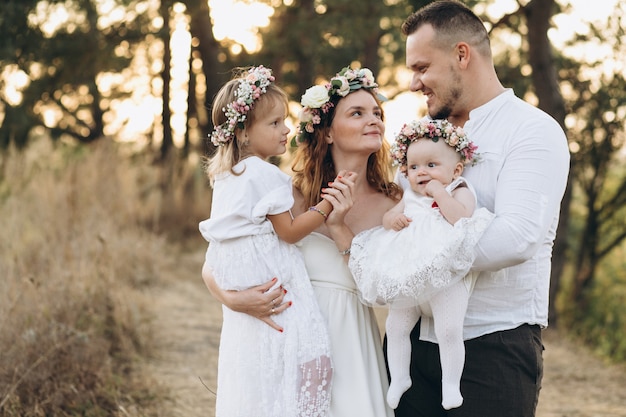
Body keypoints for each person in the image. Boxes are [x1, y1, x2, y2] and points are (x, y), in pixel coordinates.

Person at [392, 1, 571, 416]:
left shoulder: (532, 131)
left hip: (493, 350)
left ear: (461, 54)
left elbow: (513, 241)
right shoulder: (422, 139)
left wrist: (420, 248)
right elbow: (398, 219)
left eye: (421, 67)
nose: (414, 83)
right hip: (412, 349)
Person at [201, 66, 402, 417]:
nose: (374, 121)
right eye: (357, 113)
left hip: (351, 343)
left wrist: (339, 228)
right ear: (326, 133)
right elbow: (217, 258)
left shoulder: (396, 203)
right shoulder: (289, 194)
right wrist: (235, 300)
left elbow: (389, 290)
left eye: (377, 113)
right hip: (289, 342)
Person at [348, 119, 494, 411]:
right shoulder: (410, 196)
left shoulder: (458, 188)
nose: (421, 172)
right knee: (397, 325)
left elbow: (461, 219)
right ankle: (400, 378)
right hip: (410, 272)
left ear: (455, 170)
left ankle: (450, 385)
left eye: (431, 165)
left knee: (449, 329)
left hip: (444, 275)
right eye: (414, 167)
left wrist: (440, 194)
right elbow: (389, 218)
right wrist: (394, 220)